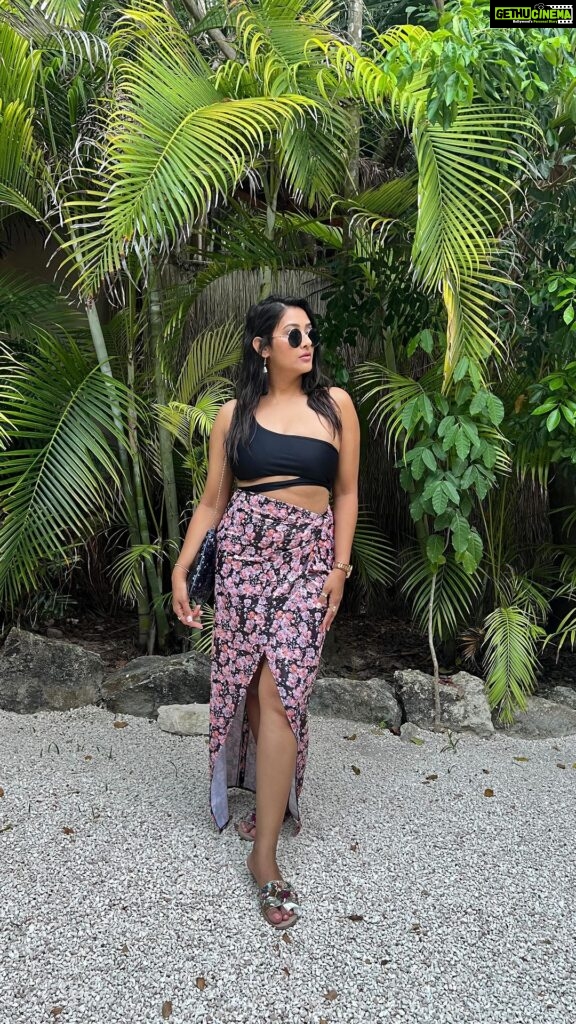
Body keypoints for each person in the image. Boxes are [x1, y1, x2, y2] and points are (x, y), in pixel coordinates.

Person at [171, 295, 360, 929]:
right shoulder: (234, 416)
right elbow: (212, 501)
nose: (307, 343)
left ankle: (265, 855)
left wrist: (339, 569)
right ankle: (264, 799)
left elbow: (346, 492)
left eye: (310, 332)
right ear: (262, 347)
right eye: (292, 334)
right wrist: (181, 568)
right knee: (253, 685)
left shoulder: (335, 408)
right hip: (245, 559)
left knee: (283, 691)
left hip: (309, 561)